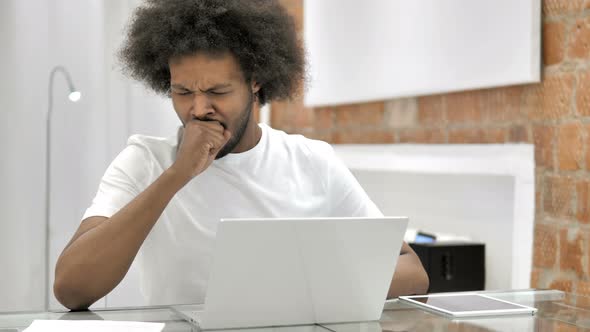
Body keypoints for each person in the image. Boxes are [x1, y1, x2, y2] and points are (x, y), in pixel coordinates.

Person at [53, 0, 429, 310]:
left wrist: (293, 287)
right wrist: (177, 174)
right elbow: (71, 288)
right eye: (183, 92)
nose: (198, 109)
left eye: (217, 91)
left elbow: (412, 271)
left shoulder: (311, 160)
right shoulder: (145, 160)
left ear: (255, 82)